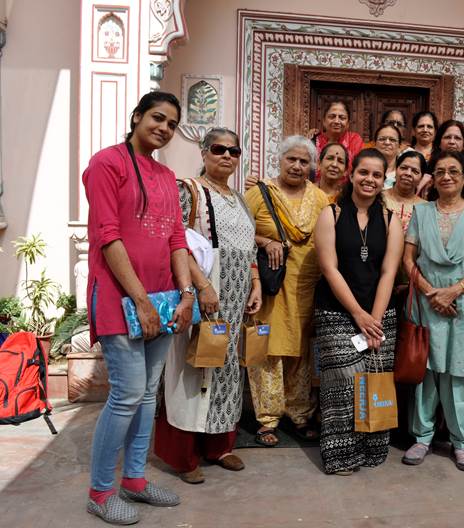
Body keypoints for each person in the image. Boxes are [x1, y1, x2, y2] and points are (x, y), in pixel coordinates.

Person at [83, 91, 191, 524]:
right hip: (118, 298)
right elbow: (108, 236)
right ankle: (99, 490)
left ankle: (134, 481)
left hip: (164, 300)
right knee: (126, 395)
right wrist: (139, 301)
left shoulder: (166, 176)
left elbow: (176, 239)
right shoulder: (106, 164)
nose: (163, 128)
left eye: (171, 123)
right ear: (136, 117)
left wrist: (185, 296)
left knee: (148, 394)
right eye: (157, 118)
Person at [154, 128, 262, 484]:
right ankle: (184, 456)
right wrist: (200, 286)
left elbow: (249, 249)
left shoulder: (240, 198)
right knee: (193, 367)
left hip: (236, 295)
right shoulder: (190, 190)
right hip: (205, 294)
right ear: (204, 152)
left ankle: (220, 446)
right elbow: (177, 243)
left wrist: (256, 285)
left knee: (227, 368)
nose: (227, 156)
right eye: (219, 149)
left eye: (234, 150)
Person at [401, 150, 464, 472]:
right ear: (433, 178)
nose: (446, 176)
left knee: (461, 373)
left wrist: (453, 291)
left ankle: (461, 442)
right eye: (439, 171)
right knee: (425, 371)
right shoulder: (420, 213)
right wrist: (431, 293)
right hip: (426, 302)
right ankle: (422, 437)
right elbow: (408, 260)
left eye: (453, 171)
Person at [314, 148, 404, 475]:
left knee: (375, 378)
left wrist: (375, 320)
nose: (369, 179)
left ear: (383, 181)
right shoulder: (332, 214)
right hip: (336, 312)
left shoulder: (390, 219)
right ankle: (340, 454)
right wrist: (358, 315)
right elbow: (329, 268)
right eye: (363, 172)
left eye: (376, 175)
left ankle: (372, 447)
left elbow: (388, 273)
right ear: (351, 175)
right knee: (344, 380)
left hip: (380, 313)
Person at [244, 135, 329, 447]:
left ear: (312, 167)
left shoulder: (320, 199)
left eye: (304, 161)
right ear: (279, 161)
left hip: (306, 285)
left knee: (301, 350)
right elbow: (235, 231)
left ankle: (300, 414)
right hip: (268, 286)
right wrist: (265, 241)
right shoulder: (258, 194)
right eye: (291, 159)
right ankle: (267, 419)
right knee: (269, 348)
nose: (297, 165)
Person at [382, 150, 428, 233]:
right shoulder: (379, 198)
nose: (408, 173)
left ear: (421, 178)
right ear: (396, 170)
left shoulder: (425, 208)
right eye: (404, 168)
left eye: (415, 171)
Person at [312, 101, 363, 165]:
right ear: (324, 121)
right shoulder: (313, 141)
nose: (336, 121)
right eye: (332, 117)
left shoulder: (354, 140)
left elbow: (355, 167)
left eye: (342, 118)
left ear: (348, 124)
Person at [372, 123, 402, 189]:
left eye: (392, 140)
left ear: (399, 146)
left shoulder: (403, 173)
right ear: (375, 144)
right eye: (382, 139)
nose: (387, 143)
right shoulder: (366, 168)